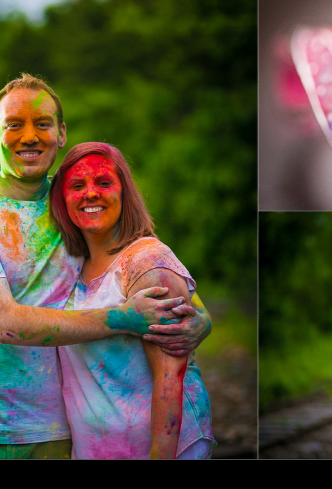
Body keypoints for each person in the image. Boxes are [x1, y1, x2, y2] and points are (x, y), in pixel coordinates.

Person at [0, 74, 210, 460]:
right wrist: (123, 318)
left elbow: (146, 263)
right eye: (13, 125)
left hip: (53, 430)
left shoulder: (74, 201)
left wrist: (202, 319)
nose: (29, 136)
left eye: (42, 124)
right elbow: (4, 323)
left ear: (61, 133)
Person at [50, 141, 214, 459]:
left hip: (157, 448)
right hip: (100, 447)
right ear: (63, 198)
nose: (91, 194)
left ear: (124, 191)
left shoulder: (146, 261)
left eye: (104, 182)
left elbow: (170, 378)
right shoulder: (67, 267)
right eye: (77, 185)